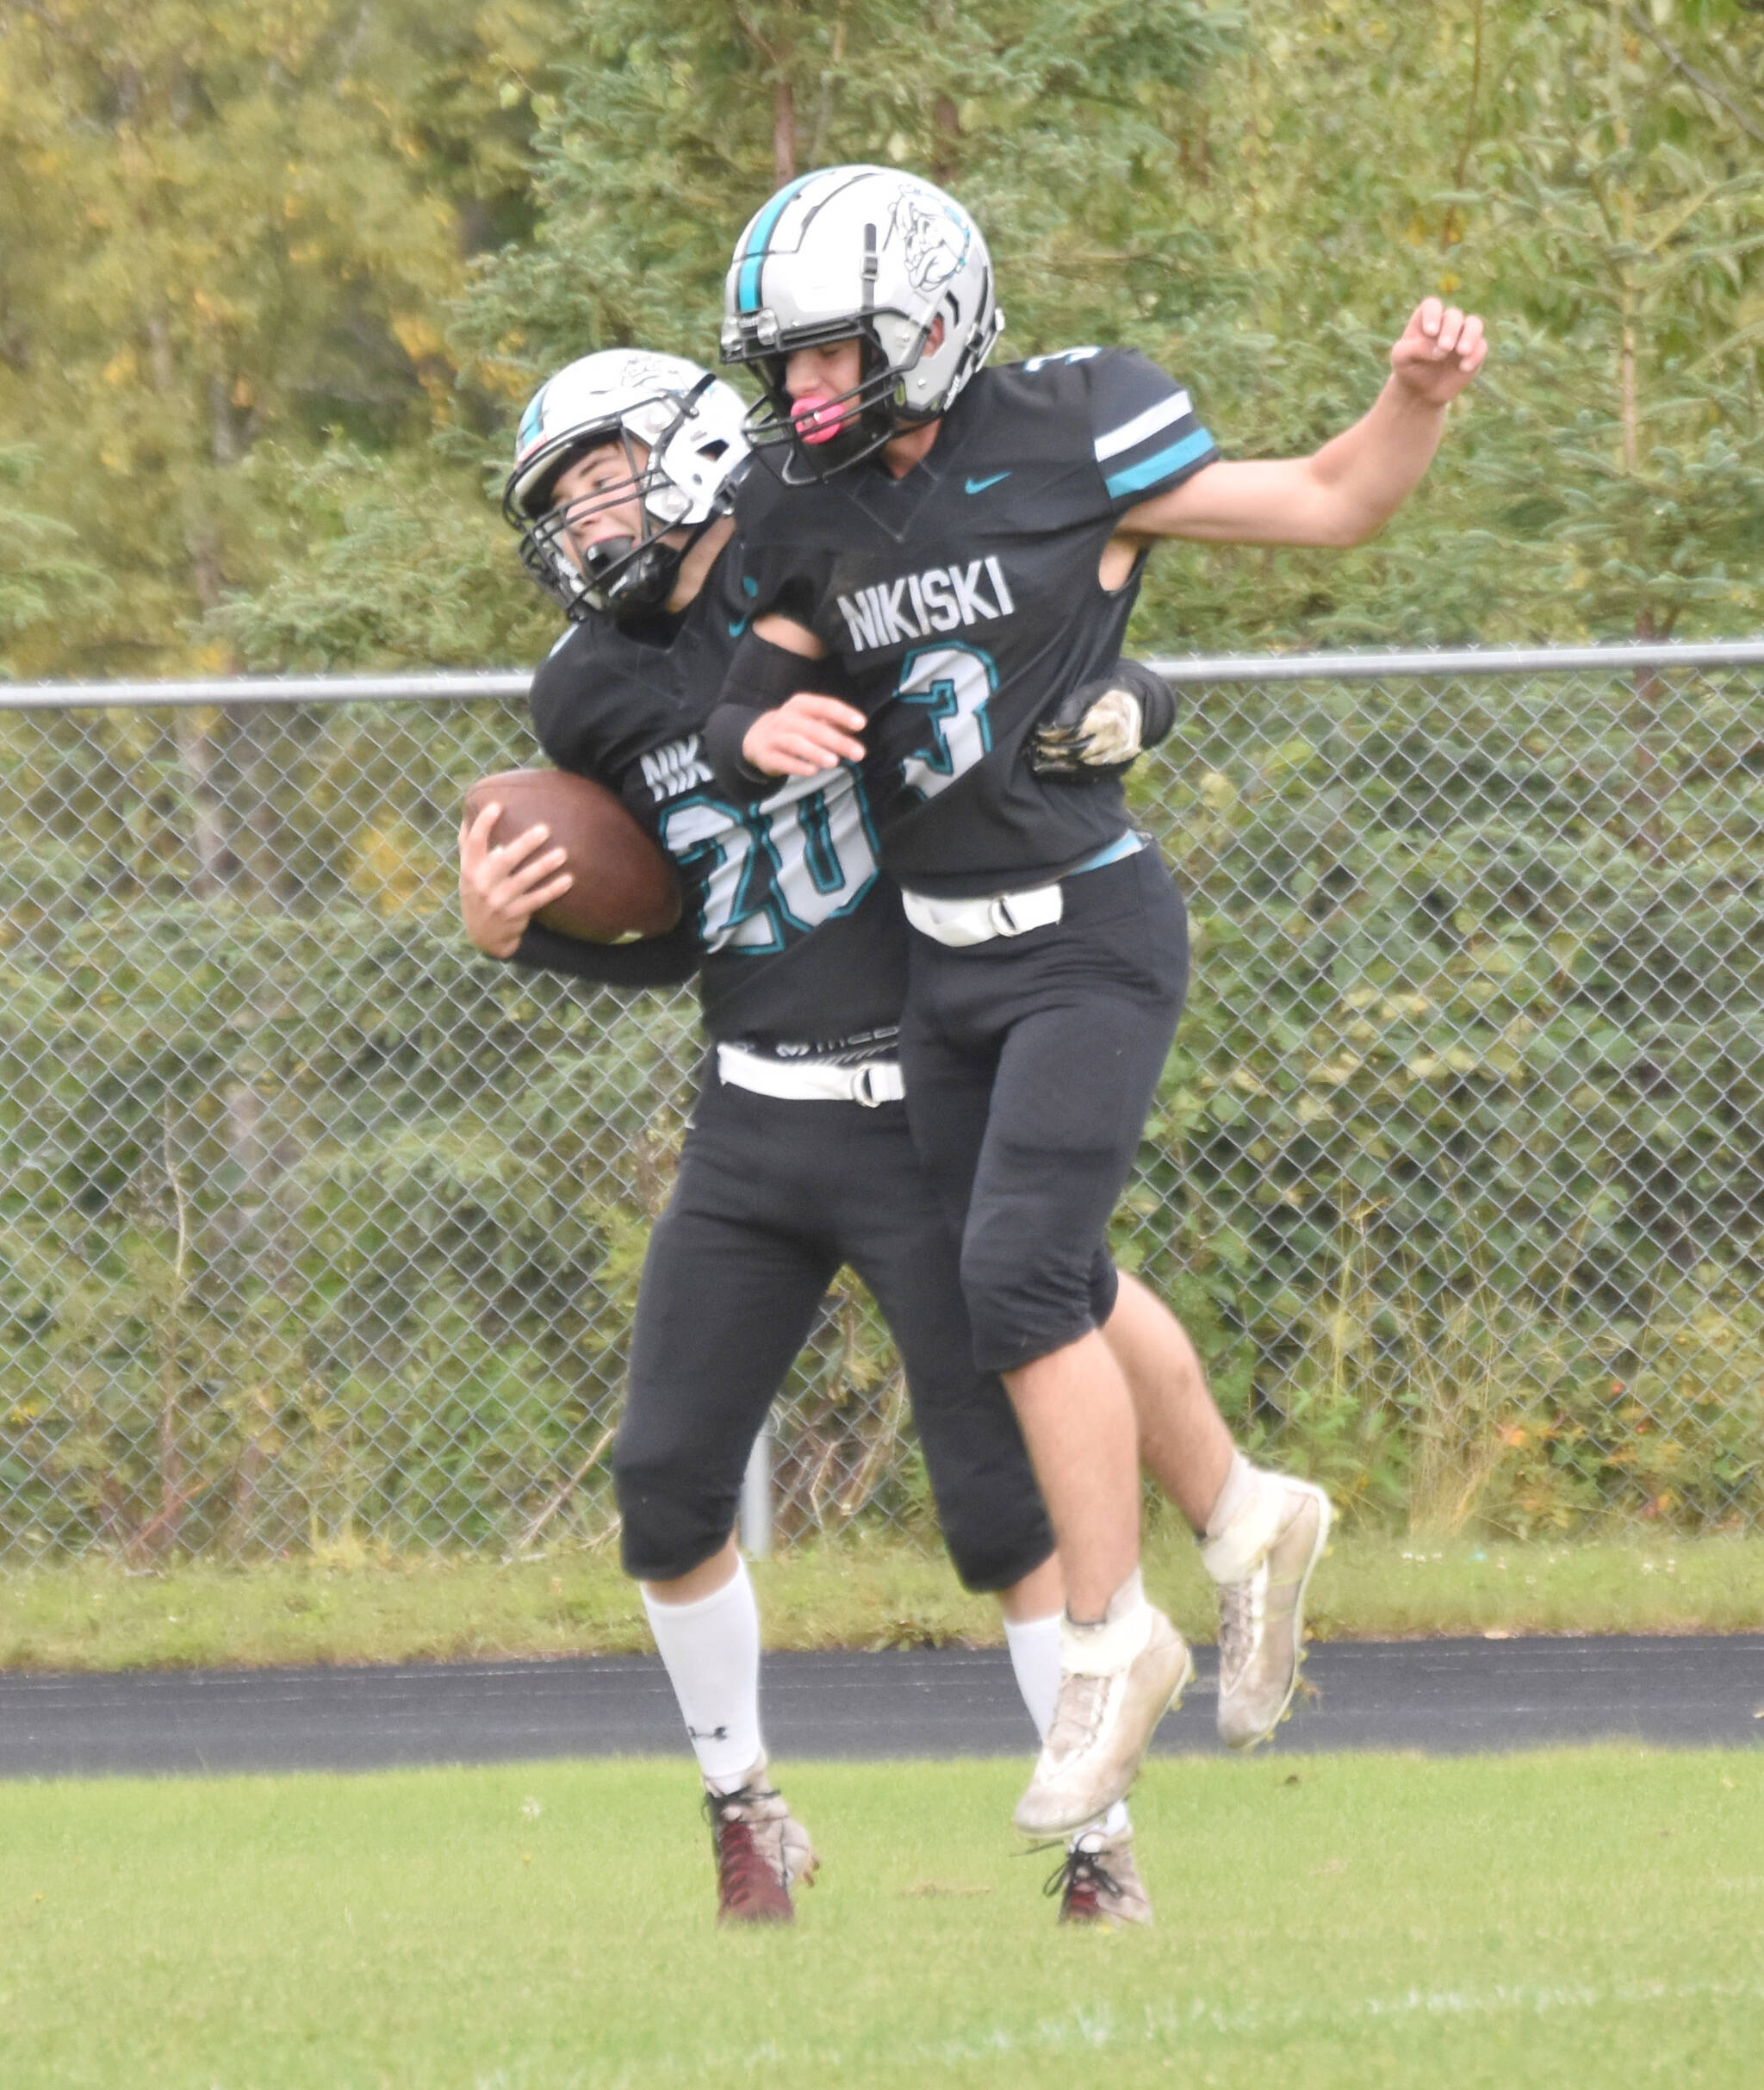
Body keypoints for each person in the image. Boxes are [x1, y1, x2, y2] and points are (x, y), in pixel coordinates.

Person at [705, 165, 1486, 1838]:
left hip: (1088, 935)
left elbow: (1336, 501)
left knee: (1014, 1279)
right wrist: (751, 733)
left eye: (830, 358)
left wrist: (1405, 404)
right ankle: (1243, 1505)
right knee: (1058, 1270)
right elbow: (747, 689)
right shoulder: (808, 509)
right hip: (943, 957)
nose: (801, 393)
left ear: (925, 326)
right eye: (786, 366)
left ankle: (1108, 1643)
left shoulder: (1075, 434)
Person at [462, 348, 1141, 1925]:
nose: (587, 517)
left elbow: (1035, 659)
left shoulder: (836, 559)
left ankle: (1101, 1844)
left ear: (698, 448)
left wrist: (1119, 703)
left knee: (998, 1511)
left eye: (606, 474)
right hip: (757, 1121)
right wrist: (526, 940)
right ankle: (744, 1807)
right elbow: (691, 919)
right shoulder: (586, 688)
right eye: (563, 500)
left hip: (927, 1108)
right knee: (664, 1483)